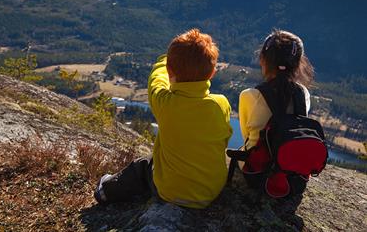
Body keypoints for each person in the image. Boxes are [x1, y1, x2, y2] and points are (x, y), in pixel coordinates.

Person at [95, 29, 233, 209]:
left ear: (169, 70)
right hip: (211, 191)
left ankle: (105, 190)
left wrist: (163, 62)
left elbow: (156, 82)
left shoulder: (165, 103)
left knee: (143, 165)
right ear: (212, 72)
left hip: (172, 193)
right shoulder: (221, 104)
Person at [238, 29, 314, 153]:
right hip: (290, 164)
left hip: (257, 167)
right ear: (298, 63)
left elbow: (247, 136)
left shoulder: (249, 96)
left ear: (263, 60)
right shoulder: (303, 93)